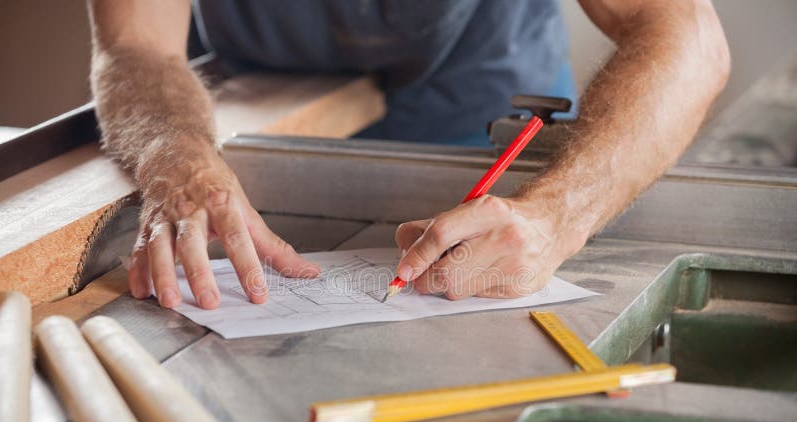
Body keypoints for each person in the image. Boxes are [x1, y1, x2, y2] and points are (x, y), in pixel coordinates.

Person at [88, 0, 729, 309]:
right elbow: (138, 45)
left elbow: (689, 37)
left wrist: (557, 215)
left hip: (479, 134)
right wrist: (177, 153)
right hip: (254, 146)